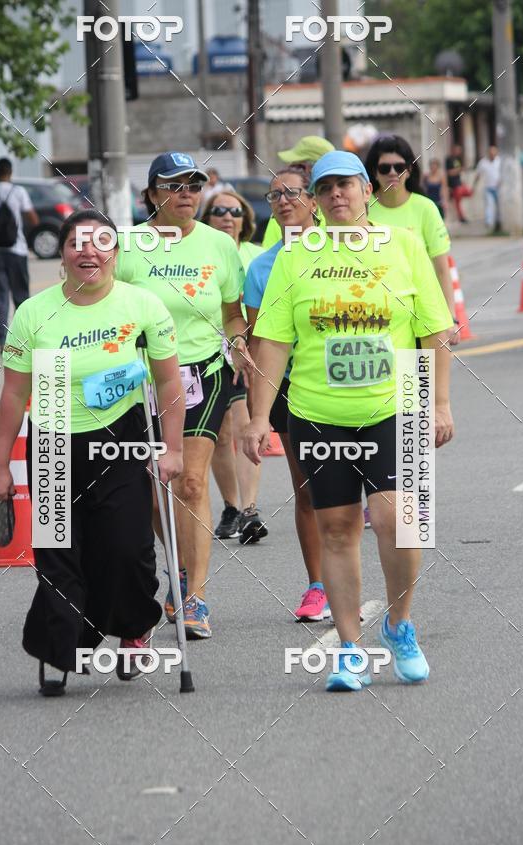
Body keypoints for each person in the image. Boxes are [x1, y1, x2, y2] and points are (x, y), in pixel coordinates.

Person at [243, 151, 454, 692]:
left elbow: (433, 331)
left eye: (347, 185)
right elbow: (273, 341)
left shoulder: (403, 245)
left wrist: (440, 403)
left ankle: (398, 624)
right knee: (336, 530)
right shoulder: (295, 258)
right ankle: (349, 648)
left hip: (399, 399)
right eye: (326, 187)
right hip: (317, 410)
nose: (338, 194)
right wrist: (258, 416)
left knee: (400, 525)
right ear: (313, 201)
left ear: (366, 191)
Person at [0, 210, 185, 695]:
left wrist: (172, 448)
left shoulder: (142, 305)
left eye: (100, 242)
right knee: (57, 555)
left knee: (124, 548)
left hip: (121, 436)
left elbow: (168, 381)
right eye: (77, 242)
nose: (87, 251)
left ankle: (135, 629)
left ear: (115, 253)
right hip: (52, 440)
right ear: (62, 254)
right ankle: (63, 649)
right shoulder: (34, 312)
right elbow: (13, 393)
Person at [116, 152, 247, 639]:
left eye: (194, 185)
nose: (186, 194)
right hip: (142, 382)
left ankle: (195, 599)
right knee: (156, 489)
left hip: (203, 375)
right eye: (173, 186)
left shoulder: (219, 246)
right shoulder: (128, 246)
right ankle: (182, 565)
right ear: (151, 195)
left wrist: (237, 340)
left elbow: (233, 313)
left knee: (191, 482)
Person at [245, 167, 332, 620]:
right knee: (308, 490)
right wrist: (258, 410)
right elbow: (261, 340)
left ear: (314, 201)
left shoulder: (345, 250)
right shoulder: (263, 266)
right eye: (274, 195)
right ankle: (317, 586)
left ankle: (356, 576)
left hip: (344, 383)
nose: (282, 202)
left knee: (358, 496)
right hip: (290, 389)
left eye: (292, 193)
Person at [200, 189, 268, 544]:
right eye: (218, 210)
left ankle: (249, 509)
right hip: (208, 352)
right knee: (222, 434)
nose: (227, 216)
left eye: (235, 211)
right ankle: (230, 505)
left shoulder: (257, 257)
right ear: (207, 218)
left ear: (245, 219)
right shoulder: (198, 251)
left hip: (247, 350)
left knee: (245, 427)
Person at [365, 135, 460, 347]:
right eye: (384, 168)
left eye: (399, 167)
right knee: (388, 381)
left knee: (422, 380)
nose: (392, 173)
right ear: (373, 172)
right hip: (375, 320)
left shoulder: (425, 208)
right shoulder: (361, 209)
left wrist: (450, 318)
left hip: (423, 321)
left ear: (409, 171)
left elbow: (442, 269)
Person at [0, 157, 39, 350]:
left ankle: (3, 341)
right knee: (21, 296)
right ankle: (23, 339)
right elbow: (34, 219)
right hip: (17, 251)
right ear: (10, 173)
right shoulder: (18, 192)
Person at [262, 135, 335, 249]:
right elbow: (269, 259)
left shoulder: (340, 211)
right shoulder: (283, 213)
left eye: (299, 167)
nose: (292, 171)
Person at [473, 145, 501, 232]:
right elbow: (478, 175)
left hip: (498, 187)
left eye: (494, 152)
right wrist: (474, 186)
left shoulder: (500, 161)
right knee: (489, 205)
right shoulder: (483, 162)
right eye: (490, 152)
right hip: (488, 187)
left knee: (499, 206)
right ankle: (488, 222)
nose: (492, 154)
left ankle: (498, 222)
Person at [445, 144, 473, 223]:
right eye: (457, 150)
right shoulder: (449, 159)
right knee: (457, 202)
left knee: (470, 192)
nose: (459, 152)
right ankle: (461, 217)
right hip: (454, 185)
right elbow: (449, 173)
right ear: (453, 150)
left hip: (459, 183)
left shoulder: (457, 159)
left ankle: (462, 216)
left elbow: (459, 172)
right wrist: (459, 170)